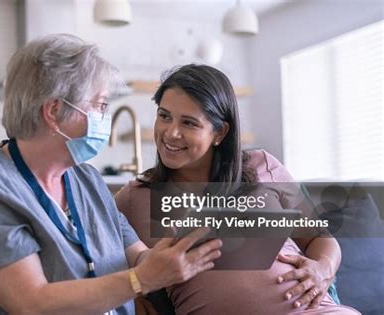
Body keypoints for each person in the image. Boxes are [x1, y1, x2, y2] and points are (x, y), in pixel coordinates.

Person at [0, 35, 223, 315]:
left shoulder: (86, 180)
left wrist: (170, 255)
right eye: (99, 105)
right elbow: (32, 303)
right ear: (54, 111)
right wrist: (143, 279)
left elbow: (135, 254)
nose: (104, 117)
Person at [115, 64, 361, 314]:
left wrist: (323, 269)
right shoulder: (134, 196)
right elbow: (93, 255)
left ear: (220, 132)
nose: (171, 133)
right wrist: (134, 296)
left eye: (189, 123)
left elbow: (320, 239)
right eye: (164, 116)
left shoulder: (262, 166)